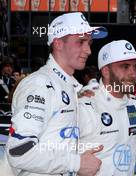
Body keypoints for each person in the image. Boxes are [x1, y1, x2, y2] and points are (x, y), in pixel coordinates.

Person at [6, 12, 108, 176]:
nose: (88, 50)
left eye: (89, 43)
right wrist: (76, 163)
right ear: (58, 44)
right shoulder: (40, 84)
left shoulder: (74, 87)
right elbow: (18, 152)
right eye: (81, 42)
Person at [78, 40, 136, 175]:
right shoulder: (84, 105)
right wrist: (75, 166)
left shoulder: (134, 104)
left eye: (135, 67)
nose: (133, 74)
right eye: (125, 66)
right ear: (105, 71)